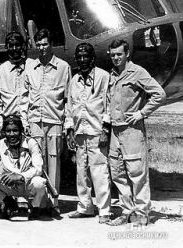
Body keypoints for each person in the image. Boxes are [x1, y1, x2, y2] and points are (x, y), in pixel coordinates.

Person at [106, 39, 166, 226]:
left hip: (132, 131)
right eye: (113, 54)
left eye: (119, 54)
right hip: (115, 132)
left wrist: (141, 113)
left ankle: (141, 213)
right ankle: (126, 211)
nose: (116, 58)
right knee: (118, 173)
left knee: (137, 173)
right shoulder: (112, 75)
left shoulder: (137, 72)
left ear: (127, 54)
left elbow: (159, 94)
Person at [25, 29, 71, 216]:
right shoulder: (30, 67)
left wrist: (67, 125)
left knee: (53, 162)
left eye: (45, 44)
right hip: (35, 121)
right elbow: (24, 96)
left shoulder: (63, 67)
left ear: (51, 44)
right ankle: (38, 203)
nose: (42, 48)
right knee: (36, 163)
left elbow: (68, 99)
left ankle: (54, 203)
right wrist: (25, 121)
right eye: (39, 45)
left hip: (54, 121)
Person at [64, 43, 111, 224]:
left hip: (96, 132)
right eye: (79, 57)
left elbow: (107, 104)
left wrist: (105, 130)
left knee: (99, 170)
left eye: (86, 56)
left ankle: (104, 210)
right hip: (79, 132)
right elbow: (69, 108)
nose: (82, 60)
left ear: (93, 58)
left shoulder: (103, 77)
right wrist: (69, 130)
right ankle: (85, 207)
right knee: (81, 171)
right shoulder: (74, 80)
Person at [0, 115, 48, 220]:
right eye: (8, 131)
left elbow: (38, 168)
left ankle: (34, 208)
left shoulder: (31, 143)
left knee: (39, 183)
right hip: (8, 184)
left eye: (15, 131)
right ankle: (8, 202)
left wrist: (20, 177)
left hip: (26, 184)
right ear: (4, 132)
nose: (12, 134)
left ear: (21, 130)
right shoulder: (0, 144)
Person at [0, 31, 31, 135]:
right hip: (9, 128)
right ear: (6, 47)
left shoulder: (32, 67)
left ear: (23, 46)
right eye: (11, 46)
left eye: (17, 45)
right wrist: (0, 125)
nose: (14, 49)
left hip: (30, 125)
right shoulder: (1, 71)